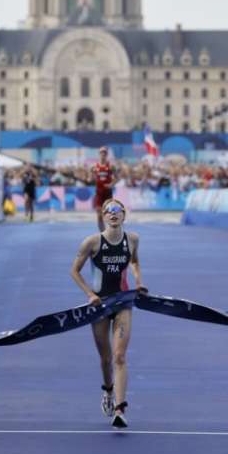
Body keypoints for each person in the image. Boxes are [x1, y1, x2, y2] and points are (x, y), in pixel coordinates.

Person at [69, 198, 146, 429]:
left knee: (120, 356)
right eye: (108, 211)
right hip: (100, 305)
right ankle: (108, 390)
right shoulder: (91, 243)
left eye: (117, 210)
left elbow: (134, 262)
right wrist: (89, 294)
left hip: (123, 302)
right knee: (105, 359)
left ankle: (120, 409)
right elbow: (74, 271)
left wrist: (139, 282)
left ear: (124, 215)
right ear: (103, 216)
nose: (113, 214)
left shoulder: (133, 239)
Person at [92, 146, 116, 232]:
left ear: (106, 155)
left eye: (105, 153)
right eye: (101, 153)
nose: (103, 154)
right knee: (99, 215)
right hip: (99, 194)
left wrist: (111, 184)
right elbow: (93, 179)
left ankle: (112, 231)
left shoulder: (110, 166)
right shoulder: (95, 167)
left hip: (108, 194)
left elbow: (116, 178)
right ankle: (103, 234)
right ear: (99, 154)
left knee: (109, 215)